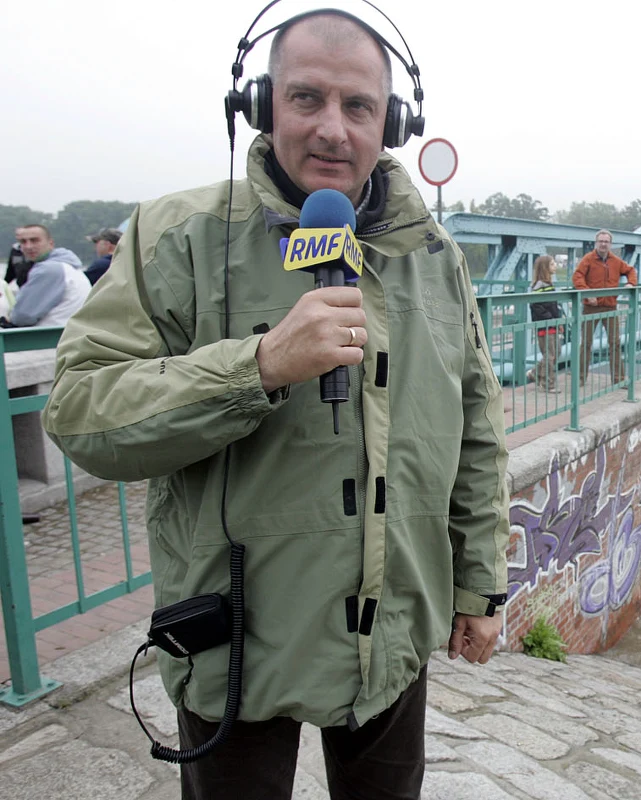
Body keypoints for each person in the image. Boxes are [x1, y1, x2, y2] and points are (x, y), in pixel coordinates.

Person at [42, 10, 510, 799]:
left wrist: (480, 584)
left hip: (392, 630)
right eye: (306, 98)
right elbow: (81, 410)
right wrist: (256, 368)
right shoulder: (179, 237)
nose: (333, 128)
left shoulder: (433, 256)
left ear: (392, 123)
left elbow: (477, 429)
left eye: (358, 106)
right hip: (236, 639)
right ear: (261, 106)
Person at [571, 229, 637, 384]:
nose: (603, 244)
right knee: (586, 343)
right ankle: (580, 378)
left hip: (610, 307)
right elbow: (577, 276)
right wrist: (587, 292)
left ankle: (619, 379)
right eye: (600, 241)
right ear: (596, 243)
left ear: (610, 244)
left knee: (615, 343)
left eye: (606, 242)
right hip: (591, 307)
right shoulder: (588, 259)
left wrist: (631, 283)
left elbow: (631, 270)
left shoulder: (616, 261)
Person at [0, 224, 89, 328]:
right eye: (23, 242)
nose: (28, 246)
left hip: (50, 335)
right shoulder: (69, 266)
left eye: (34, 240)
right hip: (70, 330)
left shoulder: (48, 269)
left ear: (51, 243)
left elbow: (22, 316)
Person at [526, 255, 563, 392]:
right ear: (545, 268)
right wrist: (551, 319)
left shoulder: (548, 284)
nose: (555, 266)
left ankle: (535, 373)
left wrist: (558, 321)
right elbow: (536, 306)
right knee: (550, 354)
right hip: (545, 325)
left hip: (552, 323)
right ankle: (547, 384)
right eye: (552, 264)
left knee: (556, 352)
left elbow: (553, 306)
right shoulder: (539, 286)